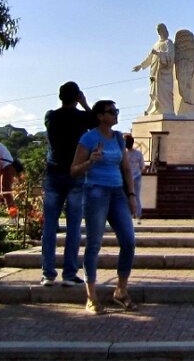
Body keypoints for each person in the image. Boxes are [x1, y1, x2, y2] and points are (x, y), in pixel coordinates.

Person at [73, 99, 138, 314]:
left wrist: (131, 195)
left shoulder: (119, 138)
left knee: (128, 241)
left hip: (117, 192)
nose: (115, 114)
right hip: (96, 192)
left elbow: (126, 168)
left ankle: (121, 290)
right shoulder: (89, 138)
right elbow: (74, 170)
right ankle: (91, 297)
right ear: (100, 116)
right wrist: (91, 161)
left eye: (116, 110)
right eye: (111, 111)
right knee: (94, 244)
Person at [40, 81, 96, 287]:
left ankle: (47, 272)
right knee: (74, 226)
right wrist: (85, 103)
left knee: (50, 226)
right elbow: (95, 124)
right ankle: (70, 273)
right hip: (76, 172)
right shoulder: (82, 118)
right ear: (77, 96)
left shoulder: (51, 117)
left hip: (54, 172)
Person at [133, 23, 175, 115]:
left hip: (164, 73)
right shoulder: (156, 44)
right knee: (154, 92)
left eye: (161, 30)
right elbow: (149, 58)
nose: (160, 32)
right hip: (154, 71)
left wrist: (158, 53)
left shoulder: (168, 43)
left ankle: (166, 110)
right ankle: (154, 108)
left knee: (164, 92)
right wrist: (140, 66)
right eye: (159, 31)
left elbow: (170, 56)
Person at [124, 134, 145, 223]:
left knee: (126, 196)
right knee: (136, 196)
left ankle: (129, 215)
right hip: (137, 176)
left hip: (126, 178)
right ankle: (138, 215)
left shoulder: (124, 154)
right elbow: (142, 167)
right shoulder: (138, 153)